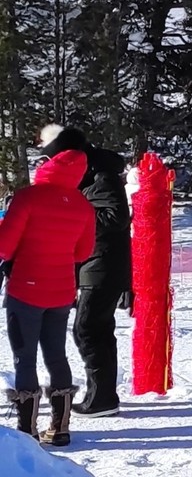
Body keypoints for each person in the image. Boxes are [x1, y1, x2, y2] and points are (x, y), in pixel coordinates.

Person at [0, 149, 95, 444]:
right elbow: (83, 252)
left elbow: (4, 246)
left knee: (25, 358)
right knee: (57, 355)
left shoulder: (29, 197)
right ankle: (60, 426)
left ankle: (27, 429)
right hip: (62, 290)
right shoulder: (83, 206)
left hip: (25, 289)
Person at [38, 125, 133, 419]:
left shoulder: (100, 174)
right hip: (92, 261)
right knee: (96, 328)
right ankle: (103, 394)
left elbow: (116, 217)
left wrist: (74, 213)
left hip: (104, 261)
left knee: (89, 328)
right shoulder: (86, 174)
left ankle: (102, 398)